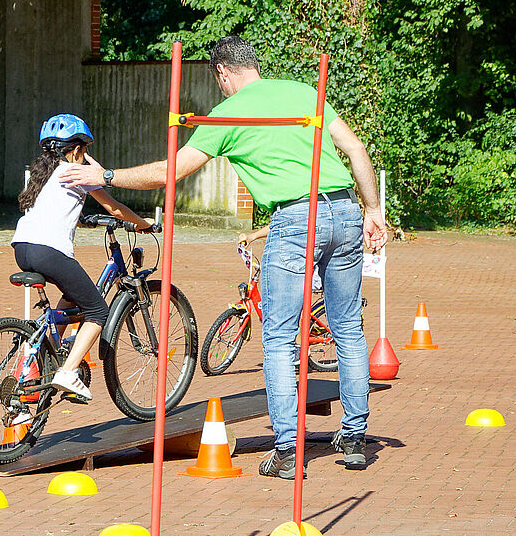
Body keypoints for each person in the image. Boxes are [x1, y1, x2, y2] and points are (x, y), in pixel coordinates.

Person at [62, 36, 387, 477]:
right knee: (348, 326)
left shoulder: (227, 115)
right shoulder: (302, 93)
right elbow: (356, 149)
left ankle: (289, 450)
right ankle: (353, 439)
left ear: (222, 73)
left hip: (294, 219)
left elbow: (169, 173)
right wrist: (373, 210)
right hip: (345, 210)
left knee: (278, 337)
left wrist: (107, 175)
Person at [12, 114, 155, 403]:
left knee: (73, 294)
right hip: (49, 251)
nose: (87, 156)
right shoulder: (77, 173)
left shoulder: (43, 175)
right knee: (98, 311)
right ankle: (67, 372)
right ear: (76, 150)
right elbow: (115, 209)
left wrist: (84, 220)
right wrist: (143, 224)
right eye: (85, 150)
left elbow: (54, 211)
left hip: (22, 248)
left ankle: (43, 358)